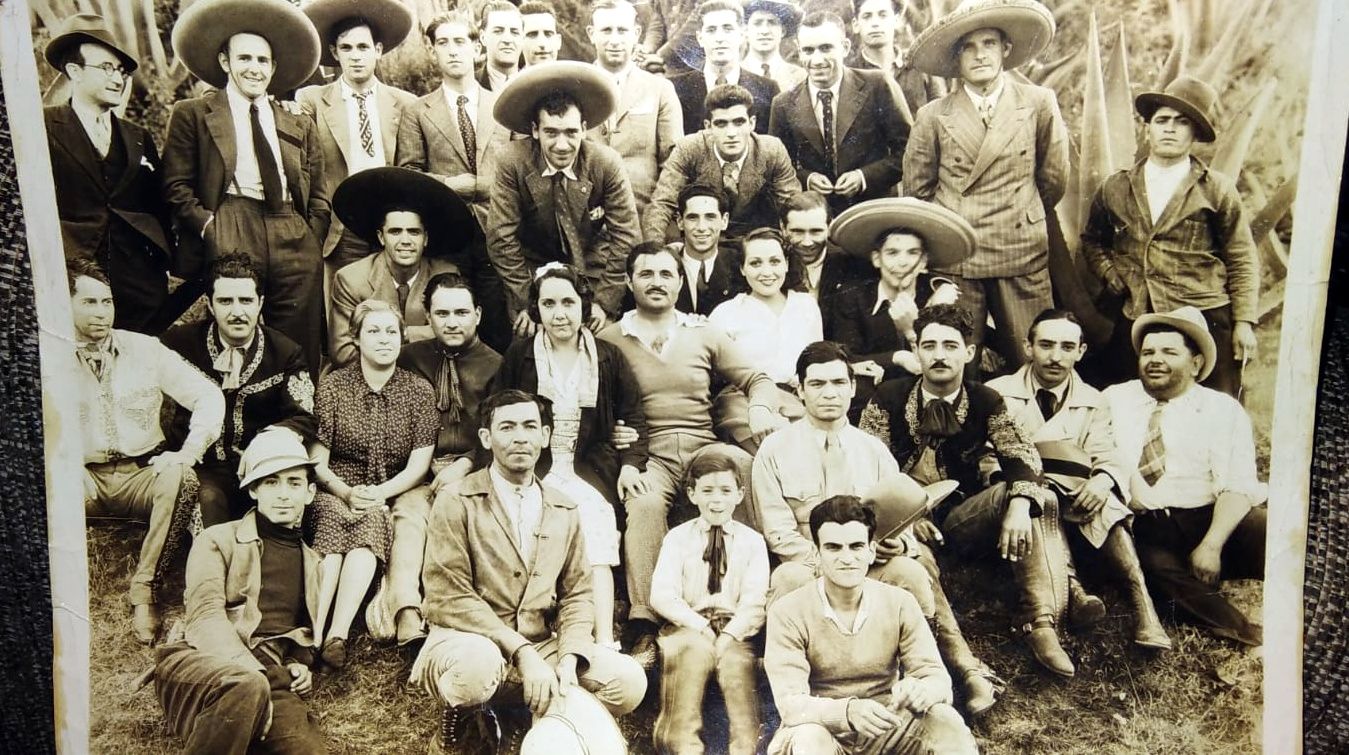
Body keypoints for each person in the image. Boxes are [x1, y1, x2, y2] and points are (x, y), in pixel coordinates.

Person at [753, 340, 997, 715]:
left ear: (853, 387)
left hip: (870, 561)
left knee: (912, 572)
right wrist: (829, 562)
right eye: (816, 384)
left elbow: (901, 522)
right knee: (786, 580)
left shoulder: (873, 450)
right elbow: (778, 533)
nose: (829, 393)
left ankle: (944, 674)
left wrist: (897, 547)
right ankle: (799, 694)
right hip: (809, 561)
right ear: (799, 390)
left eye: (838, 382)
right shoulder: (774, 451)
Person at [411, 390, 647, 753]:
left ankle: (532, 712)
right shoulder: (456, 499)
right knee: (476, 669)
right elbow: (448, 596)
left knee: (629, 681)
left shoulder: (563, 508)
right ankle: (463, 715)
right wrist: (523, 653)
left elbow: (578, 594)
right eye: (507, 427)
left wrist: (569, 656)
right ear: (487, 438)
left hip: (541, 645)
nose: (520, 436)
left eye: (529, 426)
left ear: (545, 436)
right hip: (468, 640)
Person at [859, 303, 1077, 678]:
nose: (939, 355)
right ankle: (964, 665)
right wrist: (906, 522)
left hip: (962, 519)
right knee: (917, 560)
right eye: (929, 346)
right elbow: (865, 470)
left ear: (969, 352)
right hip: (906, 528)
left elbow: (1021, 453)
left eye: (950, 345)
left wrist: (1019, 505)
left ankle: (1039, 619)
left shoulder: (985, 400)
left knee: (1033, 496)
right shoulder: (887, 398)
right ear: (916, 351)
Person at [598, 242, 784, 664]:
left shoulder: (702, 332)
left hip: (703, 445)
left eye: (667, 274)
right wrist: (611, 431)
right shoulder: (610, 338)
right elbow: (592, 401)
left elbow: (757, 378)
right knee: (643, 503)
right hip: (650, 453)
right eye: (646, 274)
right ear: (629, 281)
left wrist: (758, 406)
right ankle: (646, 621)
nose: (657, 282)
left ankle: (756, 608)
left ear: (680, 281)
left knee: (745, 467)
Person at [986, 309, 1172, 650]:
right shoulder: (997, 393)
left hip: (1075, 503)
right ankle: (1072, 588)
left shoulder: (1093, 400)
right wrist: (1021, 486)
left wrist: (1102, 479)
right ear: (1028, 347)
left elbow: (1105, 451)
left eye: (1067, 347)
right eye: (1046, 345)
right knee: (1044, 498)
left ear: (1081, 352)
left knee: (1110, 504)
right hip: (1019, 503)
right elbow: (986, 457)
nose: (1056, 357)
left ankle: (1142, 605)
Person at [490, 263, 650, 651]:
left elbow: (635, 415)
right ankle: (538, 628)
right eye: (549, 304)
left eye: (568, 302)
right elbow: (496, 410)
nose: (559, 313)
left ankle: (602, 635)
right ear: (536, 309)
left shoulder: (607, 356)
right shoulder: (521, 355)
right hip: (534, 468)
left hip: (588, 469)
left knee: (593, 523)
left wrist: (629, 463)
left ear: (584, 306)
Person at [162, 0, 329, 373]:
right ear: (225, 62)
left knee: (297, 338)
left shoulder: (296, 121)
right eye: (245, 59)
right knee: (235, 329)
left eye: (262, 61)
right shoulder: (194, 113)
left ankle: (297, 417)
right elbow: (175, 184)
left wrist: (311, 234)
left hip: (290, 227)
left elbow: (318, 189)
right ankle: (235, 418)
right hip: (232, 221)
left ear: (273, 67)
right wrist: (210, 227)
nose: (254, 69)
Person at [903, 0, 1069, 372]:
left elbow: (1053, 178)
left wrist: (1022, 213)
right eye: (968, 47)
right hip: (959, 259)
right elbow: (917, 192)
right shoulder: (932, 116)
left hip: (1021, 252)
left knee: (1038, 359)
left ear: (1006, 49)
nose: (980, 55)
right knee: (958, 365)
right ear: (955, 58)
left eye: (989, 43)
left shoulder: (1039, 103)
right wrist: (952, 233)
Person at [70, 259, 224, 644]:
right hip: (80, 478)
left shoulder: (145, 349)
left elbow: (208, 395)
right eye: (89, 302)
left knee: (181, 478)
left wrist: (188, 452)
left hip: (142, 473)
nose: (102, 312)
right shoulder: (43, 357)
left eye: (107, 302)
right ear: (64, 304)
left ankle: (145, 592)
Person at [1082, 76, 1260, 397]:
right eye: (1161, 120)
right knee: (1128, 402)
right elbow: (1093, 239)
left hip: (1204, 313)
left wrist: (1244, 322)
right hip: (1137, 314)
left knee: (1212, 404)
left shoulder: (1215, 189)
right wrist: (1110, 273)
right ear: (1147, 128)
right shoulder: (1116, 187)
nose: (1170, 128)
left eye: (1182, 122)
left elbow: (1241, 256)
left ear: (1194, 134)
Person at [152, 430, 326, 754]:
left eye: (294, 483)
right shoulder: (217, 540)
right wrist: (256, 676)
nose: (284, 494)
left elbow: (299, 633)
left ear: (310, 492)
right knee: (246, 687)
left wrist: (299, 665)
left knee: (308, 750)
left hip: (272, 679)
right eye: (271, 482)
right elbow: (204, 619)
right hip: (201, 662)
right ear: (254, 490)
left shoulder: (314, 564)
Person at [1101, 307, 1266, 647]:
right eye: (1148, 352)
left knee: (1281, 535)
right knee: (1153, 570)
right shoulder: (1114, 399)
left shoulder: (1221, 409)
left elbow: (1237, 484)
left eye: (1169, 352)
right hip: (1145, 525)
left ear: (1195, 364)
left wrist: (1212, 545)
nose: (1155, 360)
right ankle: (1242, 629)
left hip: (1209, 517)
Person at [764, 495, 979, 755]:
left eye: (856, 546)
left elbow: (937, 678)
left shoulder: (900, 602)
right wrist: (848, 711)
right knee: (810, 737)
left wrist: (921, 690)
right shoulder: (787, 611)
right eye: (833, 547)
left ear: (871, 551)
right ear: (817, 553)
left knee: (946, 721)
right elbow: (790, 703)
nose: (846, 558)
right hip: (822, 730)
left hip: (885, 724)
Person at [308, 300, 438, 667]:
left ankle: (337, 633)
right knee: (334, 521)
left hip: (389, 488)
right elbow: (318, 458)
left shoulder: (417, 391)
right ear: (357, 339)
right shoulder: (334, 387)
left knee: (372, 522)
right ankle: (315, 633)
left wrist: (381, 493)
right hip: (338, 486)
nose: (384, 340)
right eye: (374, 332)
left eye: (391, 332)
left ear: (402, 337)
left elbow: (419, 463)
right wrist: (345, 492)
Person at [161, 252, 318, 528]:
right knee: (208, 500)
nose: (237, 312)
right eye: (225, 301)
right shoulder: (179, 344)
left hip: (261, 468)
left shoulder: (285, 353)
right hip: (202, 467)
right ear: (209, 305)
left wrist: (263, 445)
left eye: (246, 301)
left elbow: (303, 418)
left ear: (260, 303)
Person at [43, 14, 177, 334]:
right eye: (106, 68)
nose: (118, 78)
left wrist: (162, 259)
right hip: (70, 273)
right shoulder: (42, 126)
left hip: (139, 280)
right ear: (74, 72)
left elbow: (157, 204)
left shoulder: (138, 135)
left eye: (121, 70)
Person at [391, 273, 504, 644]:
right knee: (409, 513)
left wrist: (468, 462)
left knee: (452, 512)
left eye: (460, 312)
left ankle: (445, 608)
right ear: (428, 316)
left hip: (474, 469)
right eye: (442, 313)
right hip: (419, 470)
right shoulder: (410, 359)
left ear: (478, 315)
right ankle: (406, 609)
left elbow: (500, 430)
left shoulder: (497, 365)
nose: (451, 322)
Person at [487, 62, 640, 333]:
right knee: (528, 339)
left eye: (571, 133)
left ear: (583, 128)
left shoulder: (606, 163)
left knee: (600, 341)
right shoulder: (512, 162)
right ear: (535, 130)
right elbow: (501, 238)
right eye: (551, 133)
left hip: (592, 266)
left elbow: (626, 236)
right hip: (532, 269)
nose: (562, 145)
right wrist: (528, 303)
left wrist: (604, 303)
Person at [394, 11, 513, 352]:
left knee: (496, 325)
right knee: (452, 322)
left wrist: (477, 185)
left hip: (498, 231)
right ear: (432, 51)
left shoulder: (502, 107)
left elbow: (518, 170)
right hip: (448, 233)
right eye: (443, 43)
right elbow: (409, 175)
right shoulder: (418, 111)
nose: (452, 50)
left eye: (461, 41)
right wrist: (450, 184)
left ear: (477, 48)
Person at [650, 451, 769, 755]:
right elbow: (662, 594)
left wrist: (729, 636)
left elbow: (755, 601)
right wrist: (700, 627)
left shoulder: (752, 542)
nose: (717, 500)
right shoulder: (678, 538)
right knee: (691, 654)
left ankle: (745, 747)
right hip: (688, 626)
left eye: (726, 491)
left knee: (737, 663)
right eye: (707, 491)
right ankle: (681, 744)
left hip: (735, 628)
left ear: (740, 495)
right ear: (692, 494)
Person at [297, 0, 418, 272]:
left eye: (363, 47)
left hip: (391, 224)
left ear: (377, 50)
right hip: (342, 226)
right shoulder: (313, 100)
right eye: (346, 48)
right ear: (334, 52)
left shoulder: (406, 103)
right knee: (344, 306)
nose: (355, 56)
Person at [826, 197, 968, 417]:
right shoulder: (854, 297)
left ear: (923, 262)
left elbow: (944, 363)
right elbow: (844, 355)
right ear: (876, 259)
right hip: (875, 401)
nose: (902, 263)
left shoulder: (939, 296)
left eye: (912, 253)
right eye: (892, 253)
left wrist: (913, 329)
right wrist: (897, 357)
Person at [327, 167, 471, 367]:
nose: (405, 241)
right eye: (395, 232)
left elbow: (459, 338)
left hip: (429, 377)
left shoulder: (445, 274)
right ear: (381, 237)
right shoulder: (351, 279)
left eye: (414, 232)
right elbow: (343, 353)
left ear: (425, 238)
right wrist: (418, 336)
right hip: (369, 378)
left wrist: (394, 334)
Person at [768, 11, 907, 216]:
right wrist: (807, 178)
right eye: (808, 50)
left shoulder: (878, 85)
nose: (817, 60)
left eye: (826, 48)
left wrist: (864, 177)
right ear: (799, 52)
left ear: (845, 48)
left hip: (874, 212)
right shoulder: (783, 104)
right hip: (815, 220)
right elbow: (776, 166)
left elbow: (909, 151)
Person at [644, 84, 799, 243]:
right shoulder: (689, 149)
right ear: (708, 126)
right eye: (721, 124)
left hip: (753, 242)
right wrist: (656, 254)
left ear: (751, 123)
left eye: (739, 122)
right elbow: (662, 204)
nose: (731, 133)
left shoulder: (771, 150)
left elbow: (792, 205)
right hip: (701, 241)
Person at [709, 227, 821, 413]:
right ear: (742, 269)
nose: (766, 272)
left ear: (786, 263)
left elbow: (818, 362)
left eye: (775, 261)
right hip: (745, 404)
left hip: (799, 402)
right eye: (755, 263)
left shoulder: (806, 305)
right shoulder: (726, 313)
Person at [587, 0, 685, 210]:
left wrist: (655, 227)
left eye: (622, 30)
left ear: (637, 33)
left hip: (642, 218)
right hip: (585, 226)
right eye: (606, 30)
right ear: (591, 34)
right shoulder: (577, 88)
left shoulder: (660, 89)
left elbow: (674, 167)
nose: (615, 40)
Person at [668, 0, 780, 136]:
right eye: (711, 30)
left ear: (741, 35)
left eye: (728, 29)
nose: (719, 38)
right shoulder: (676, 88)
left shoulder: (767, 89)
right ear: (700, 38)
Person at [779, 191, 876, 335]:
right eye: (797, 232)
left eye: (816, 231)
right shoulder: (773, 264)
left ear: (830, 227)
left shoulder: (851, 264)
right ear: (783, 228)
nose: (807, 242)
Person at [845, 0, 945, 119]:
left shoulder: (920, 64)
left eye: (883, 15)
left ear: (896, 20)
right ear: (856, 25)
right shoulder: (848, 74)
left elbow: (943, 115)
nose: (875, 23)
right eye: (867, 16)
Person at [742, 0, 806, 92]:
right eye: (757, 23)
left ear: (783, 31)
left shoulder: (801, 77)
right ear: (745, 30)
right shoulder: (733, 74)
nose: (765, 31)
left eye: (772, 23)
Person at [476, 1, 524, 90]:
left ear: (523, 38)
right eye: (498, 31)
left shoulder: (534, 85)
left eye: (514, 32)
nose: (507, 40)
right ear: (483, 37)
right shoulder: (470, 85)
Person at [520, 1, 562, 66]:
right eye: (532, 35)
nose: (542, 43)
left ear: (559, 41)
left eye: (548, 34)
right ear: (519, 41)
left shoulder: (577, 76)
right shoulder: (515, 76)